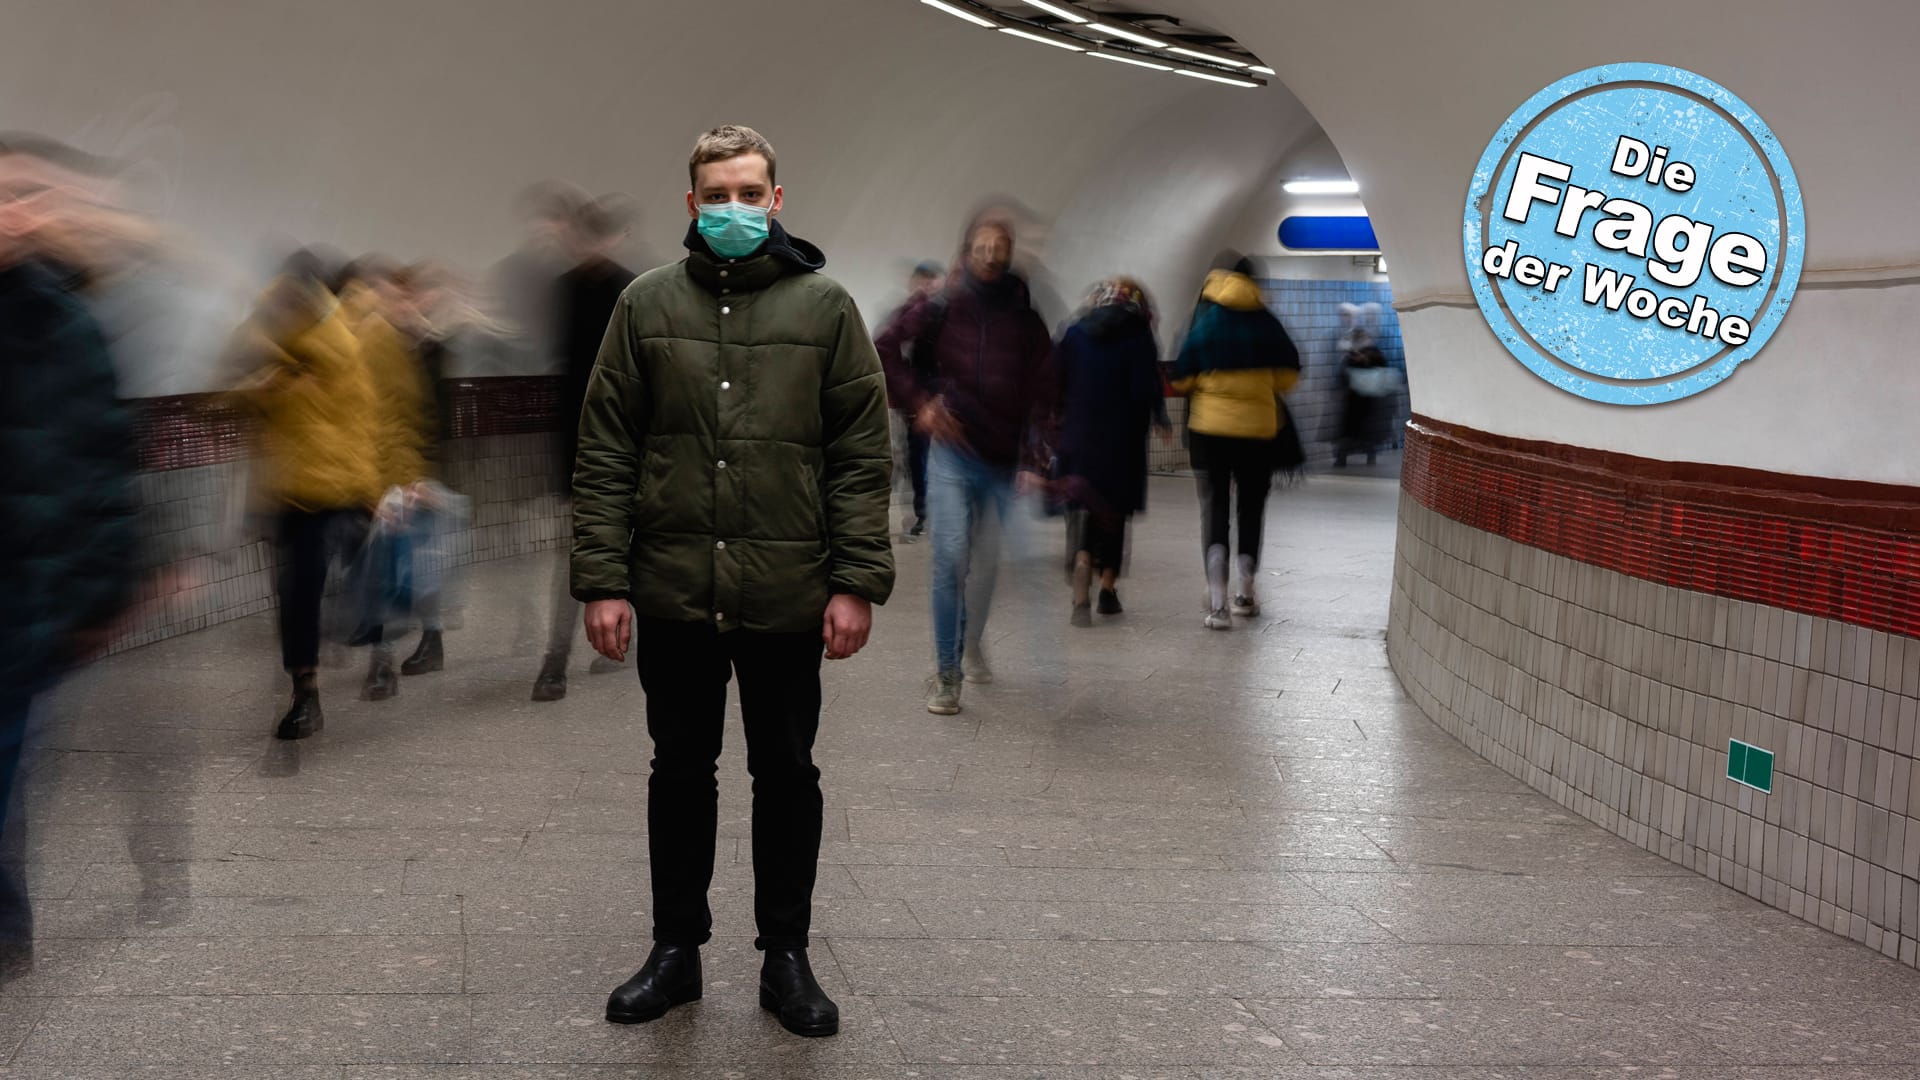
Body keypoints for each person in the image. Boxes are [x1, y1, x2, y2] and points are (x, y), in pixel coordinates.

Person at [570, 124, 893, 1038]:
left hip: (788, 590)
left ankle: (785, 957)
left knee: (786, 772)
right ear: (692, 202)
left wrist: (856, 581)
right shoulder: (643, 305)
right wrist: (603, 578)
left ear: (778, 201)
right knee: (680, 770)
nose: (735, 210)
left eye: (751, 194)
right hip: (673, 587)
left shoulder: (826, 309)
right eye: (718, 194)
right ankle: (676, 951)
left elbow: (861, 458)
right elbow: (605, 449)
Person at [0, 135, 142, 980]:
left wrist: (102, 589)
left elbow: (100, 464)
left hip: (25, 602)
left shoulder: (67, 323)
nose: (20, 213)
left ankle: (4, 922)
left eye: (32, 197)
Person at [876, 213, 1055, 716]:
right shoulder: (941, 308)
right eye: (982, 246)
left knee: (986, 565)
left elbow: (1047, 389)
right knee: (950, 557)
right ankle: (947, 670)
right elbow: (885, 349)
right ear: (967, 251)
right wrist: (921, 403)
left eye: (1000, 247)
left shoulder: (1025, 318)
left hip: (1002, 460)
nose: (991, 255)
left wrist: (1037, 454)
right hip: (953, 452)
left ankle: (971, 641)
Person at [224, 252, 383, 738]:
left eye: (299, 295)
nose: (290, 302)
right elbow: (225, 392)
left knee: (329, 579)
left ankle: (375, 650)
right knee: (296, 591)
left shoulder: (339, 340)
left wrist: (374, 489)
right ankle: (305, 692)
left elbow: (358, 415)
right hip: (288, 490)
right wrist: (259, 387)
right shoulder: (262, 331)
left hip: (335, 486)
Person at [532, 195, 638, 702]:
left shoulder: (630, 291)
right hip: (587, 448)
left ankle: (594, 648)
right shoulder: (598, 289)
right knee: (580, 554)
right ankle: (557, 657)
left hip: (612, 445)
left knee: (598, 552)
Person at [1169, 257, 1300, 630]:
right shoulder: (1267, 322)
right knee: (1251, 509)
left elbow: (1180, 378)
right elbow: (1290, 375)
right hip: (1258, 433)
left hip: (1210, 433)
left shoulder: (1206, 322)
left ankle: (1217, 604)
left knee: (1216, 510)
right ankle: (1245, 593)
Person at [1051, 277, 1169, 625]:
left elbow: (1054, 380)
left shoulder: (1074, 332)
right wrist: (1159, 419)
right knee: (1115, 511)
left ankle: (1082, 569)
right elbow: (1146, 389)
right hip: (1123, 439)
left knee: (1083, 506)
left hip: (1079, 434)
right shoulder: (1138, 336)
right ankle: (1107, 588)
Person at [881, 260, 946, 540]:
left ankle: (930, 514)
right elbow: (887, 346)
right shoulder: (915, 312)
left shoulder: (946, 312)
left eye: (932, 280)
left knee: (931, 457)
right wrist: (911, 393)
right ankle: (924, 513)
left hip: (935, 394)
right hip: (922, 396)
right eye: (923, 280)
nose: (927, 286)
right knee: (919, 457)